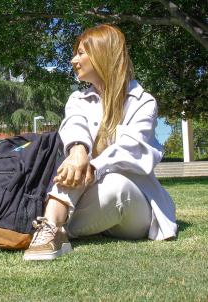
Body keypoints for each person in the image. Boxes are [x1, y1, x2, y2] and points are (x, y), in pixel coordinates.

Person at [24, 24, 177, 261]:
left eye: (81, 53)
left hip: (131, 206)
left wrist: (93, 166)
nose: (74, 60)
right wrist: (77, 152)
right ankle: (51, 226)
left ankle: (52, 227)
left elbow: (132, 149)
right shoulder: (78, 99)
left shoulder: (142, 102)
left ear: (102, 54)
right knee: (72, 165)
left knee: (115, 186)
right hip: (88, 198)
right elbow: (74, 124)